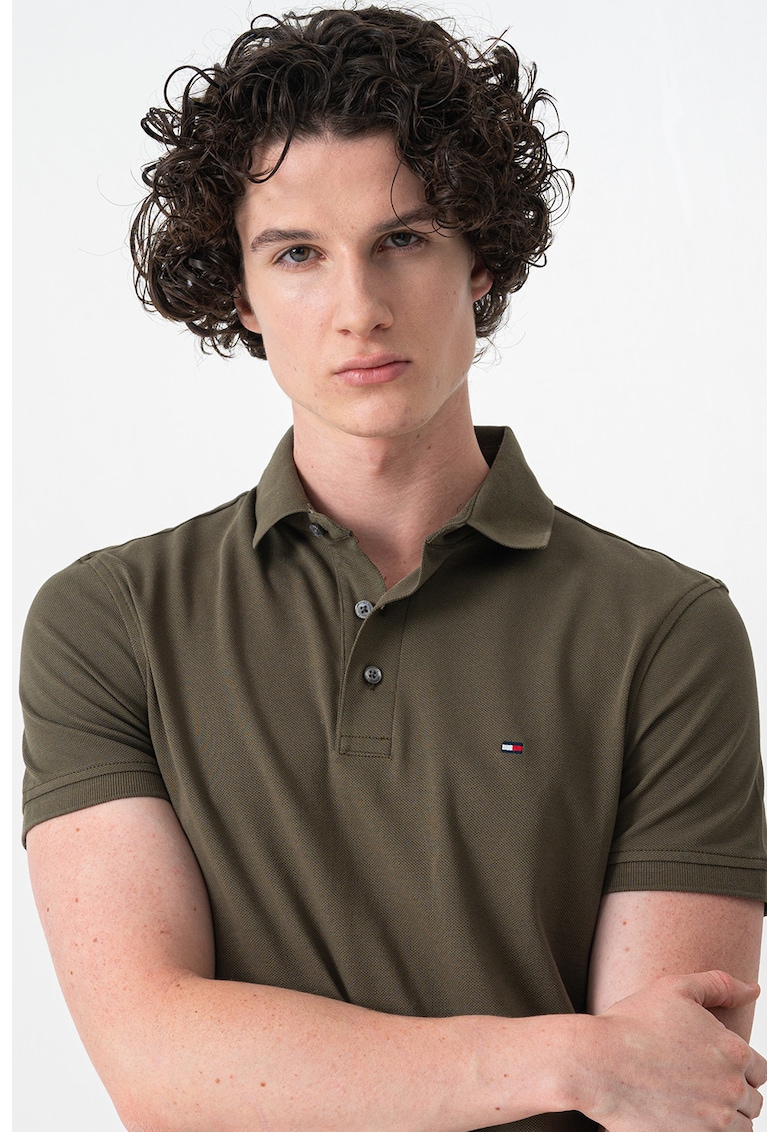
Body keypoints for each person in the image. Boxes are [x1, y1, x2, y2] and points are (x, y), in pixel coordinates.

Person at [20, 6, 766, 1131]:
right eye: (298, 254)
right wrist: (572, 1059)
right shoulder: (112, 621)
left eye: (404, 239)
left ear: (483, 258)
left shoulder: (665, 630)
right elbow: (158, 1065)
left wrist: (608, 1070)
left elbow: (667, 1092)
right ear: (241, 291)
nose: (359, 310)